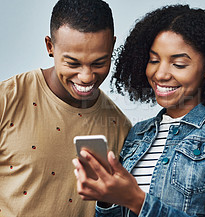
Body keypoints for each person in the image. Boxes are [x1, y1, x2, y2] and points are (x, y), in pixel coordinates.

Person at [73, 4, 205, 217]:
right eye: (154, 60)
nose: (160, 74)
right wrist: (107, 200)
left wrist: (136, 200)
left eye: (179, 64)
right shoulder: (138, 133)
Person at [0, 0, 131, 216]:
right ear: (50, 46)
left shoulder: (122, 128)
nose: (86, 76)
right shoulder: (7, 100)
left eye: (99, 63)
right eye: (73, 63)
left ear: (112, 46)